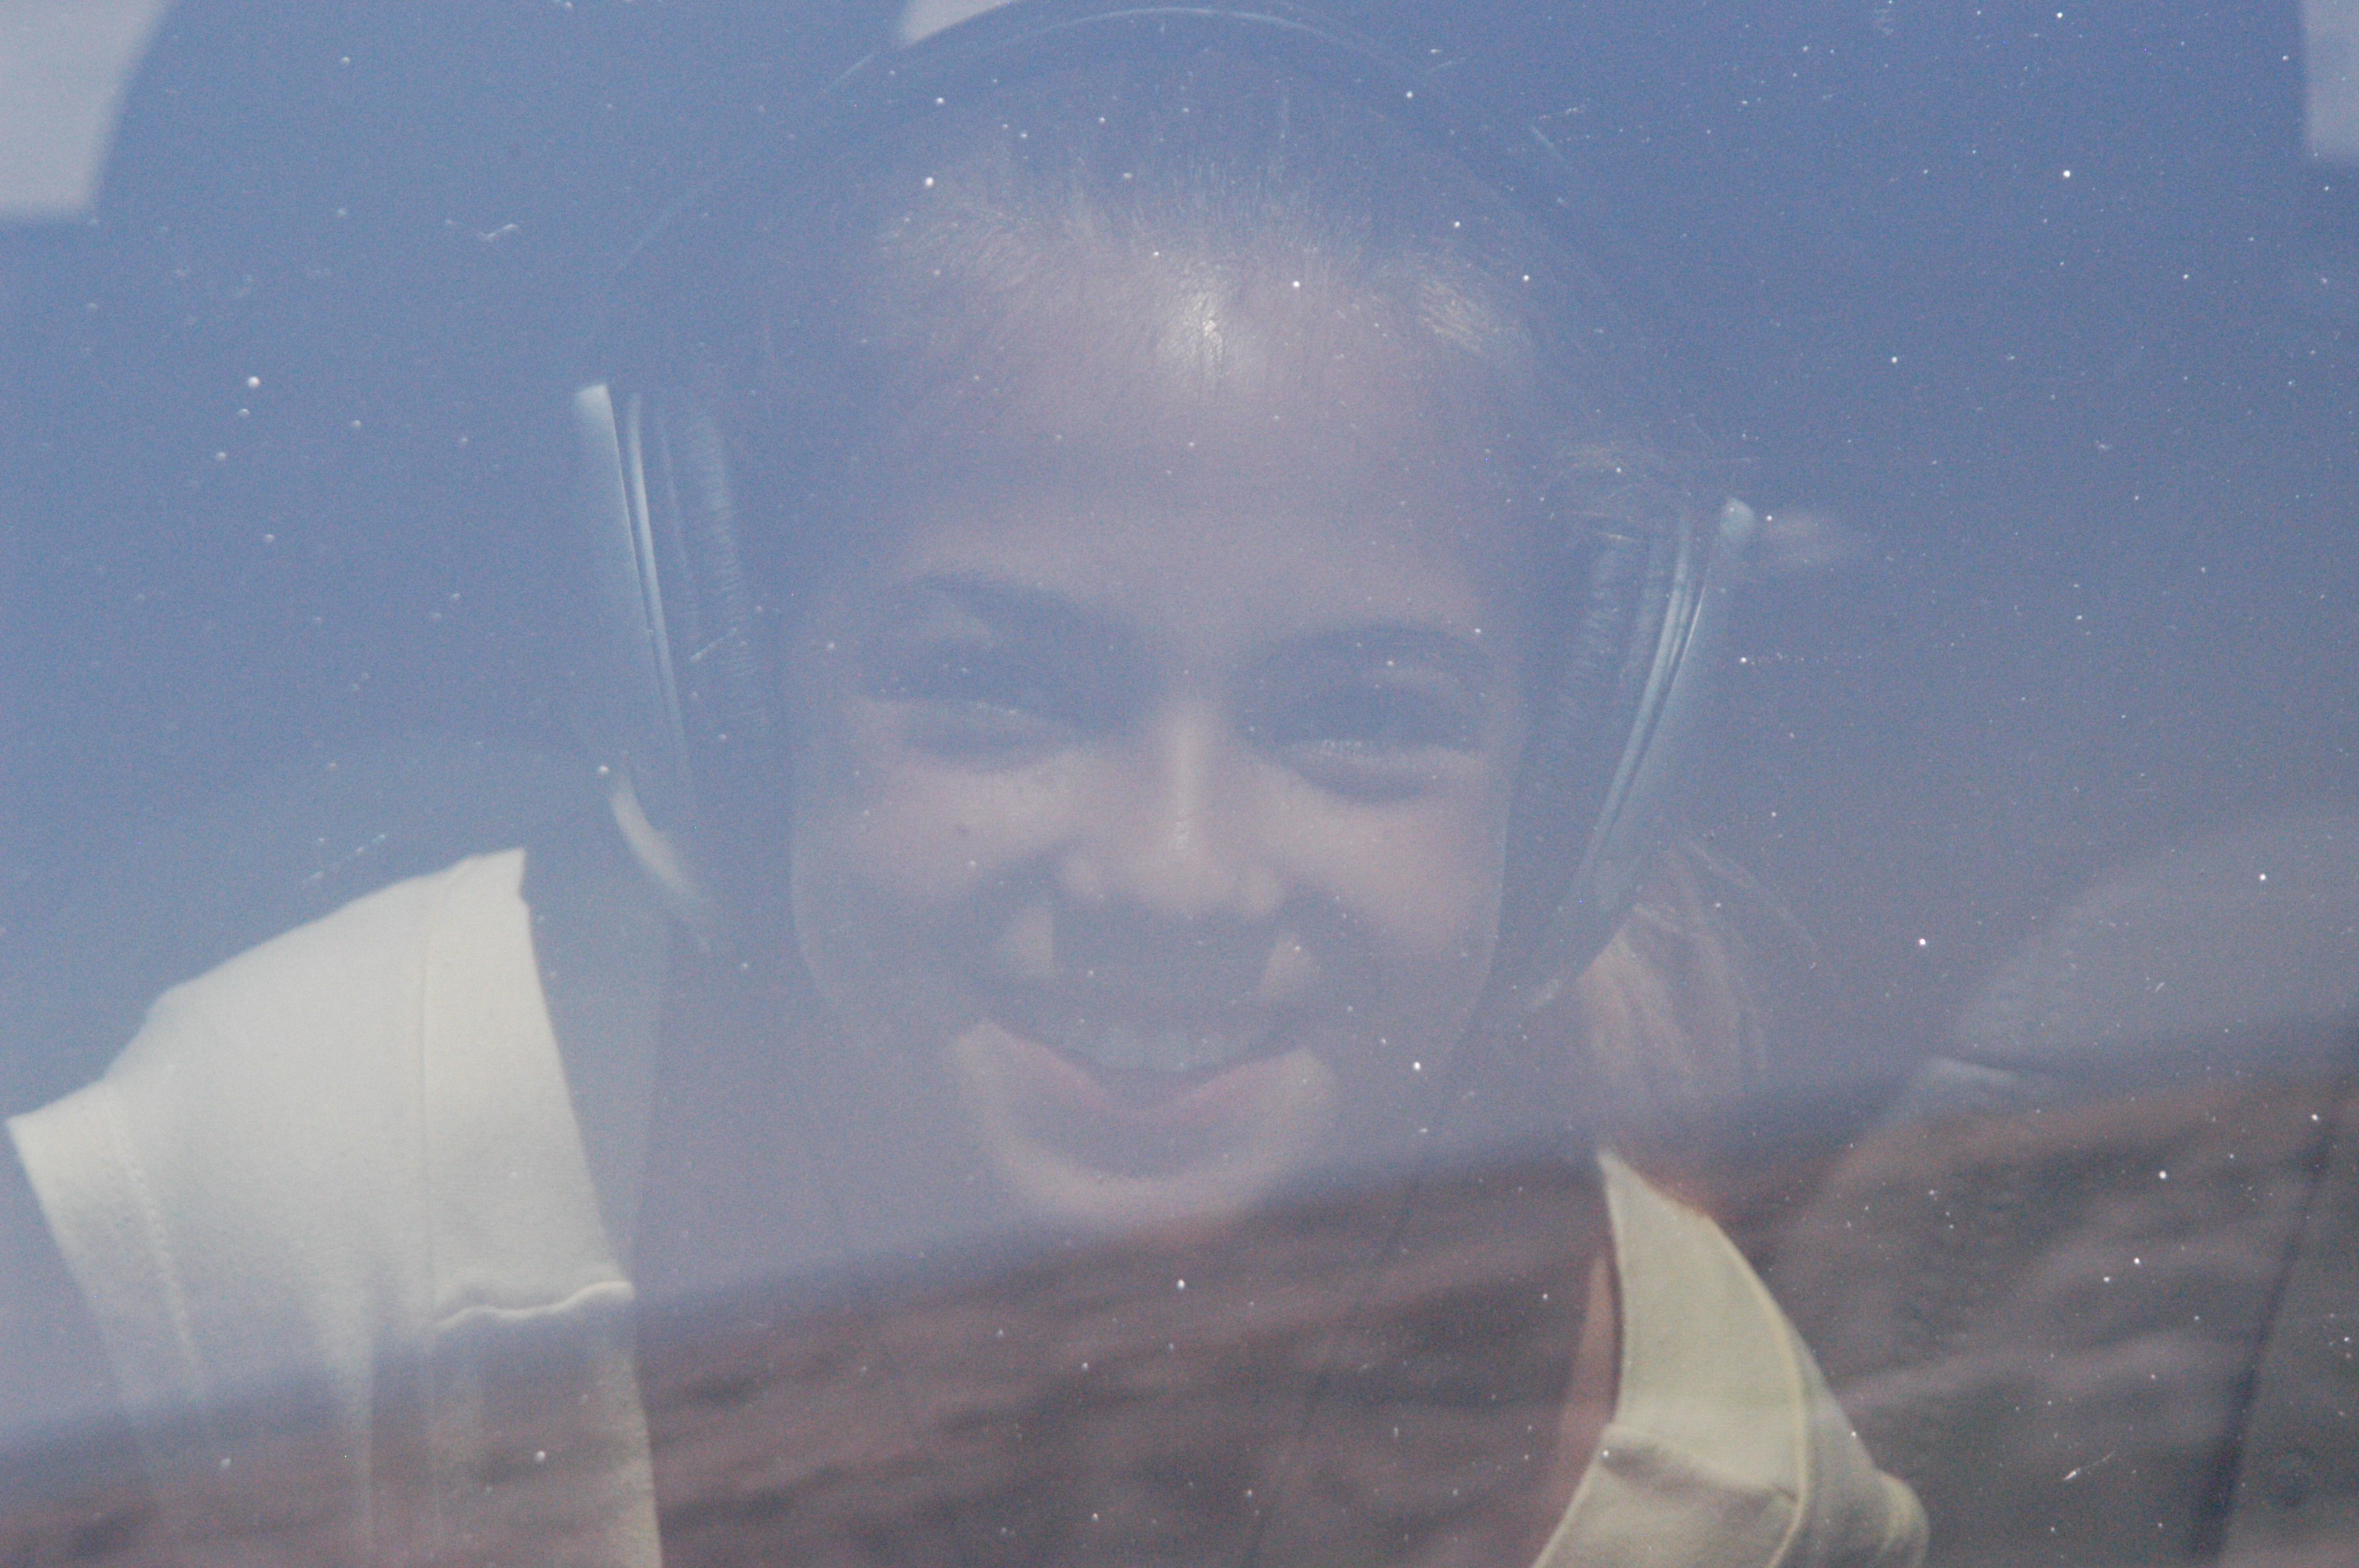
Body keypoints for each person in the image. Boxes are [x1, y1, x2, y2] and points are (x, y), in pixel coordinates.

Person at [0, 4, 1926, 1564]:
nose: (1174, 871)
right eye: (994, 687)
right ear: (720, 695)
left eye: (1359, 714)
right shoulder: (278, 1221)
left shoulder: (1710, 1464)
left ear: (1571, 780)